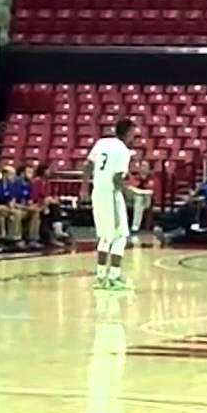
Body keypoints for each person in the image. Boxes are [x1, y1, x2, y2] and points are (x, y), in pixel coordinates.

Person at [82, 118, 136, 291]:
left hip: (97, 192)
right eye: (133, 133)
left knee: (105, 236)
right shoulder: (123, 151)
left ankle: (100, 276)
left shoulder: (102, 142)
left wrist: (84, 188)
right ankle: (113, 277)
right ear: (128, 133)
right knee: (120, 236)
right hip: (111, 194)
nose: (134, 137)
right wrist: (128, 192)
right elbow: (117, 178)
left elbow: (87, 165)